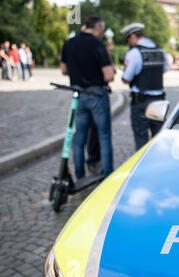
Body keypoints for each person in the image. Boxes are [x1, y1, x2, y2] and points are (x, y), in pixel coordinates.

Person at [60, 15, 115, 180]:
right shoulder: (97, 45)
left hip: (78, 95)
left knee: (79, 137)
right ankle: (107, 176)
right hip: (96, 93)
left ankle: (80, 175)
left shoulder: (69, 43)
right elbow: (109, 75)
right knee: (104, 136)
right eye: (102, 31)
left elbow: (64, 70)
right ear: (98, 27)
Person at [120, 23, 169, 150]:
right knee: (158, 140)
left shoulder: (135, 52)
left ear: (132, 36)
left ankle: (142, 167)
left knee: (141, 139)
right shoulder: (160, 50)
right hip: (159, 100)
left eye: (128, 40)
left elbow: (126, 78)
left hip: (141, 101)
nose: (129, 43)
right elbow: (164, 70)